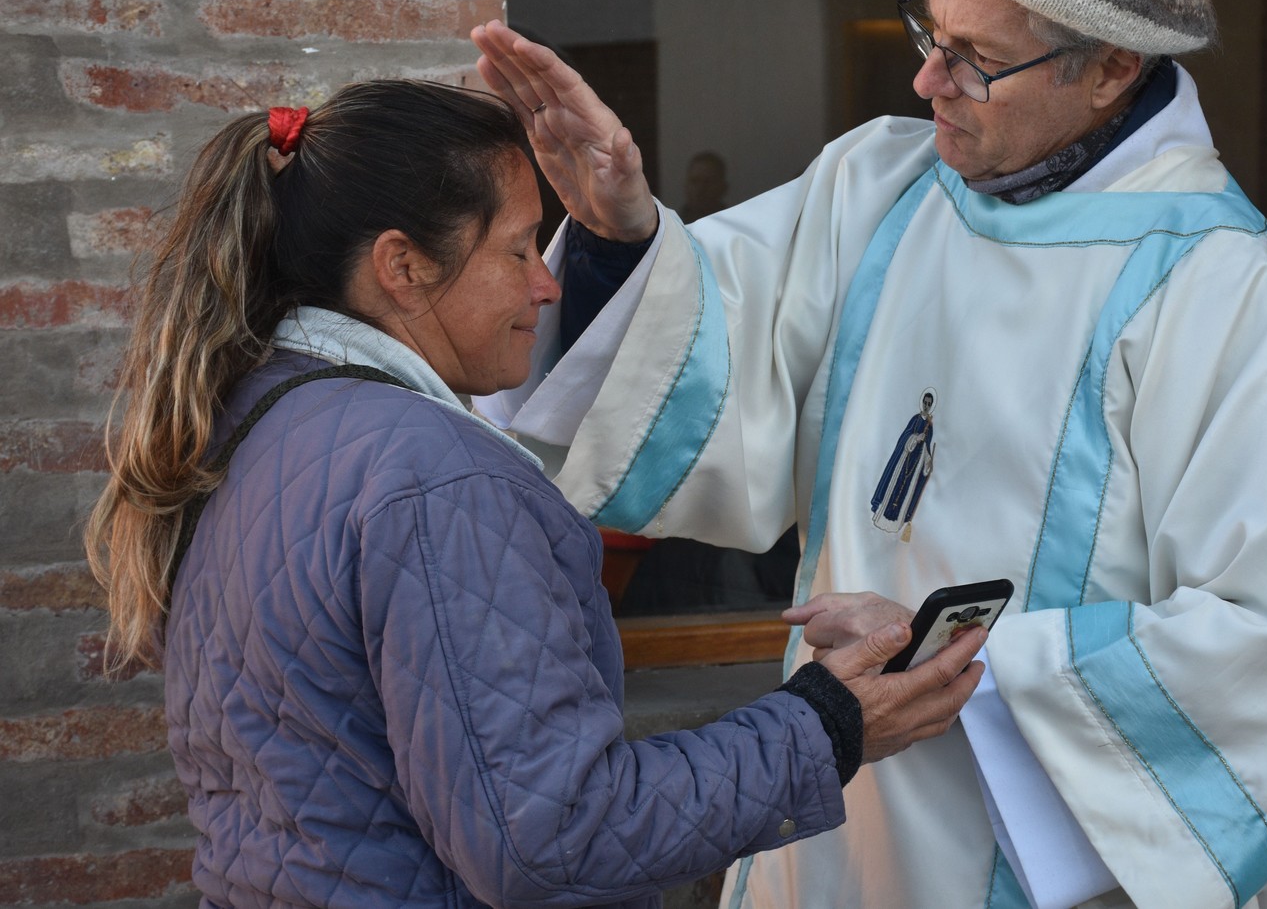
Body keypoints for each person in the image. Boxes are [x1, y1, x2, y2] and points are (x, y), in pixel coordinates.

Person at [471, 0, 1267, 905]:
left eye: (974, 59)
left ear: (1111, 67)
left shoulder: (1219, 289)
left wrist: (960, 660)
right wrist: (621, 233)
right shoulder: (881, 189)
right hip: (838, 821)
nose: (925, 81)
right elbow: (708, 369)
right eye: (930, 33)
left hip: (1041, 855)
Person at [83, 79, 987, 908]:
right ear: (402, 266)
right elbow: (552, 837)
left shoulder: (250, 416)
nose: (546, 283)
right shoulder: (437, 478)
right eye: (518, 248)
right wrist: (827, 723)